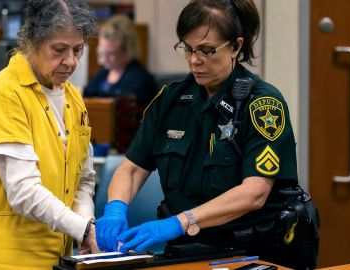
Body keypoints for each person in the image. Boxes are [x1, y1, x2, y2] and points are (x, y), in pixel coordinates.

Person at [95, 0, 319, 269]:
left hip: (249, 253)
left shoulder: (261, 104)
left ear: (235, 46)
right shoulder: (171, 99)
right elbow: (132, 168)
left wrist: (181, 221)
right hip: (186, 251)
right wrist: (115, 209)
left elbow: (254, 192)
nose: (194, 60)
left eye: (207, 50)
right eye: (187, 49)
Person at [0, 1, 99, 269]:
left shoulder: (74, 98)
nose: (71, 61)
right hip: (8, 258)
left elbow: (84, 179)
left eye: (78, 50)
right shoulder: (2, 92)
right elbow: (23, 191)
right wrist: (82, 228)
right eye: (59, 50)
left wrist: (87, 225)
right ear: (30, 42)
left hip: (60, 256)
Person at [83, 14, 158, 107]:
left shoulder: (141, 79)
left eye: (111, 54)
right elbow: (87, 93)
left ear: (127, 51)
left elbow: (122, 104)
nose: (104, 59)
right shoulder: (104, 72)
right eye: (102, 52)